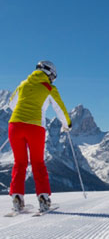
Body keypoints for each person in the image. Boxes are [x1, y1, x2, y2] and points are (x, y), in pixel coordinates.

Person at [8, 61, 71, 212]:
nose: (52, 80)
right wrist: (66, 124)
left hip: (14, 126)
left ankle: (17, 197)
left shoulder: (23, 84)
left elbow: (11, 104)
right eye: (53, 77)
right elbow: (60, 108)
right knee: (37, 163)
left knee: (19, 163)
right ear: (49, 73)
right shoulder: (49, 88)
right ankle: (43, 198)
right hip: (35, 127)